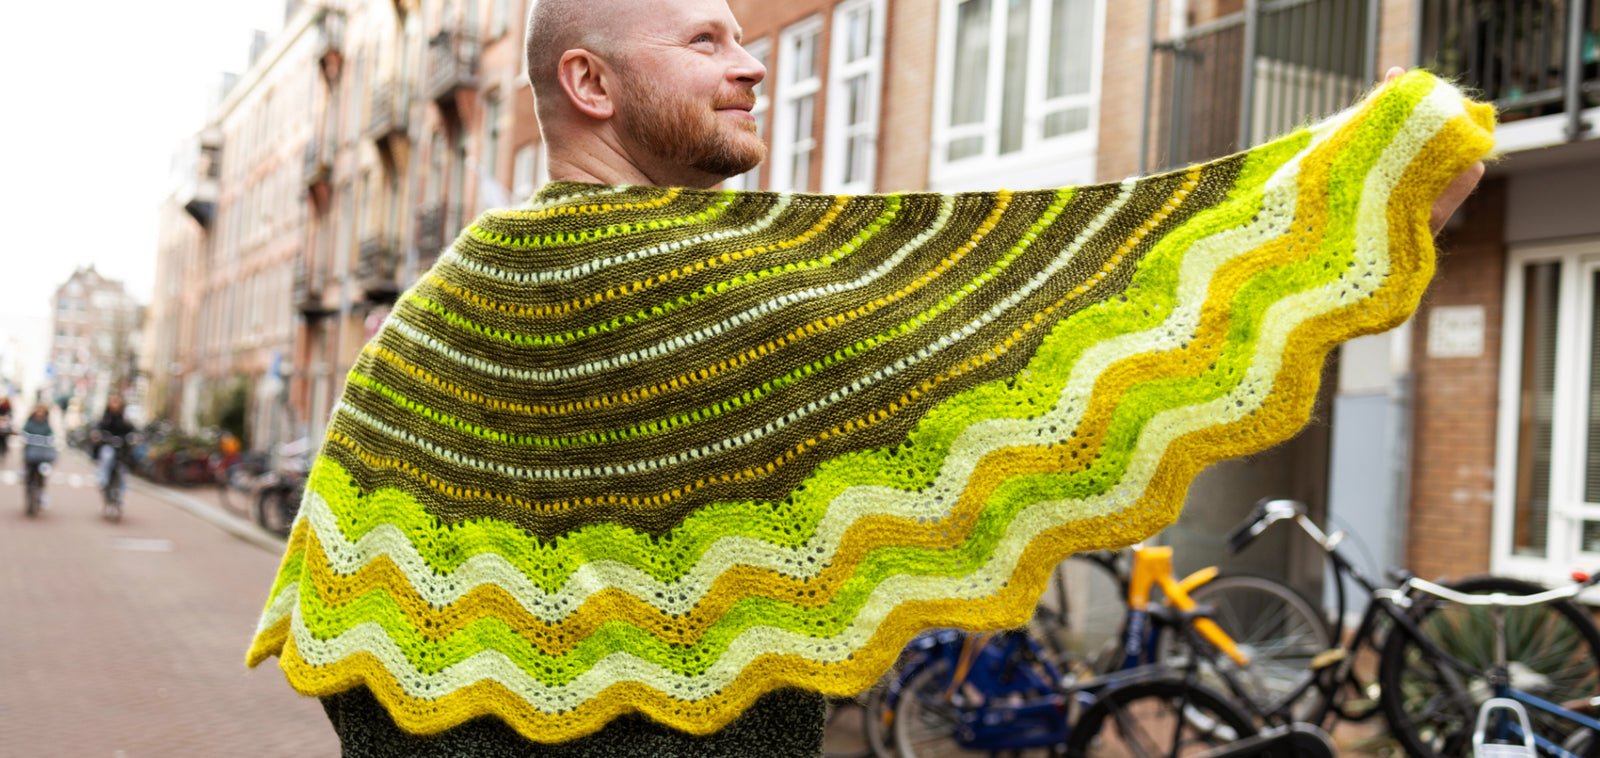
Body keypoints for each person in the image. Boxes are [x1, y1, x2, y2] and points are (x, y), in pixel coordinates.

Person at [246, 1, 1491, 755]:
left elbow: (344, 630)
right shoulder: (733, 285)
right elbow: (1042, 294)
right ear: (590, 83)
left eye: (744, 38)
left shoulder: (434, 316)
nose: (750, 65)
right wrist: (1360, 180)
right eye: (706, 42)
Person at [91, 396, 136, 507]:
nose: (115, 406)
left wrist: (135, 436)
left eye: (117, 403)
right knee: (107, 455)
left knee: (123, 467)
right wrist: (97, 434)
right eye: (113, 403)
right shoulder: (106, 418)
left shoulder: (124, 418)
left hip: (121, 448)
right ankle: (102, 479)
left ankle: (123, 490)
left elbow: (132, 429)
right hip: (108, 445)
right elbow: (98, 427)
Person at [21, 403, 55, 514]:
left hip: (42, 455)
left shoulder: (46, 424)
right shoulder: (30, 423)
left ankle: (41, 491)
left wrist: (50, 440)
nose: (39, 414)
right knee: (29, 474)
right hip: (31, 453)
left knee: (43, 473)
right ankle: (29, 494)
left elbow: (51, 434)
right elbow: (24, 432)